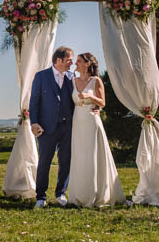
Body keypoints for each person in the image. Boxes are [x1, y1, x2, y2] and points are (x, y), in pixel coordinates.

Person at [67, 53, 126, 207]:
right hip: (77, 122)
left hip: (92, 121)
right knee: (80, 156)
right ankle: (78, 196)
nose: (75, 63)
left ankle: (96, 194)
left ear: (87, 64)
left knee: (92, 155)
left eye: (79, 61)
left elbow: (103, 102)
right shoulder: (72, 81)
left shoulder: (96, 81)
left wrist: (91, 98)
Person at [29, 46, 75, 209]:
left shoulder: (72, 76)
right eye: (69, 59)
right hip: (46, 128)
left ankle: (60, 193)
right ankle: (40, 197)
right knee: (44, 162)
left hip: (68, 127)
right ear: (59, 60)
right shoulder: (41, 76)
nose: (72, 62)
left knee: (66, 161)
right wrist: (33, 122)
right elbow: (34, 101)